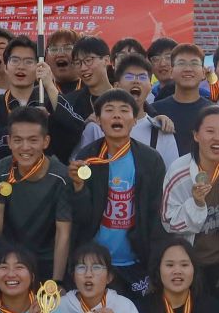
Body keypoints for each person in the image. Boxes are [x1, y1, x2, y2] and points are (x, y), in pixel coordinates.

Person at [69, 90, 167, 298]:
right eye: (109, 110)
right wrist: (77, 188)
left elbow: (155, 217)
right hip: (95, 263)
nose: (116, 115)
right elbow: (81, 218)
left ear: (134, 120)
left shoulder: (151, 160)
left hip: (136, 261)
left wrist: (154, 267)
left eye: (124, 110)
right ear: (98, 119)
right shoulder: (87, 158)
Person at [161, 105, 219, 290]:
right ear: (196, 135)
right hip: (186, 261)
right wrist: (196, 204)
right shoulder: (179, 171)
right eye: (210, 131)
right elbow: (168, 221)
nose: (217, 138)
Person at [0, 106, 73, 284]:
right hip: (8, 258)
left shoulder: (62, 176)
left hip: (45, 260)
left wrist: (57, 281)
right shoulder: (1, 169)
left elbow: (63, 234)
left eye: (33, 140)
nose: (25, 147)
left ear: (45, 141)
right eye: (18, 140)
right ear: (9, 141)